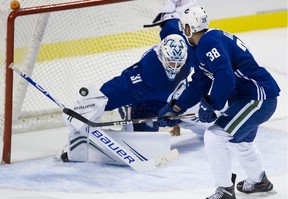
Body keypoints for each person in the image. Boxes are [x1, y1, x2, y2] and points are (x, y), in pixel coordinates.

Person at [157, 5, 281, 199]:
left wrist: (212, 104)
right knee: (240, 141)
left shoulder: (209, 42)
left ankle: (225, 193)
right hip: (253, 98)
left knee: (215, 135)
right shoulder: (202, 45)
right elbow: (200, 83)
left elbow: (225, 77)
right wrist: (176, 107)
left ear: (189, 27)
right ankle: (259, 181)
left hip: (257, 98)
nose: (182, 30)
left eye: (183, 26)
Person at [61, 0, 204, 163]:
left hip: (175, 101)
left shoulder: (185, 46)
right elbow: (110, 92)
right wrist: (84, 109)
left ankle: (183, 120)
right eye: (171, 63)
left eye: (179, 63)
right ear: (162, 56)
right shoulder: (142, 77)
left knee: (212, 128)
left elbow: (170, 22)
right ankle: (127, 111)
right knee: (144, 147)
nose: (175, 67)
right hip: (148, 105)